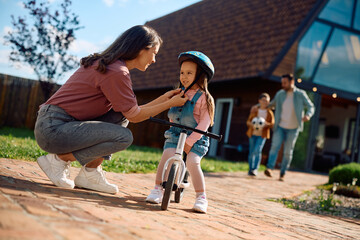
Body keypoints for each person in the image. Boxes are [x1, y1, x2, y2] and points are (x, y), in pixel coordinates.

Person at [34, 25, 188, 194]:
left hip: (56, 124)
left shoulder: (110, 65)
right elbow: (135, 116)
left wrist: (165, 98)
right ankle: (58, 161)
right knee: (123, 137)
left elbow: (131, 111)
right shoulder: (117, 72)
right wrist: (169, 104)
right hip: (54, 128)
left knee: (120, 115)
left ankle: (89, 174)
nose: (154, 60)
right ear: (141, 48)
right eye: (154, 53)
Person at [146, 51, 215, 213]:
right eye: (182, 73)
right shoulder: (178, 93)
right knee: (166, 156)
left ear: (200, 75)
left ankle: (201, 197)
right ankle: (157, 188)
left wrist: (191, 140)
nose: (184, 76)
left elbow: (205, 123)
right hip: (176, 134)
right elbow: (173, 114)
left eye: (189, 73)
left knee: (192, 162)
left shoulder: (204, 97)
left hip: (196, 138)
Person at [255, 74, 314, 181]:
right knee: (274, 147)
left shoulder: (301, 94)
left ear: (292, 82)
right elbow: (271, 104)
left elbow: (311, 106)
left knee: (287, 151)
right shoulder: (280, 94)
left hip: (294, 128)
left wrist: (308, 115)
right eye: (282, 83)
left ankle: (283, 172)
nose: (283, 85)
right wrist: (258, 106)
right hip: (280, 126)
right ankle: (270, 168)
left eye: (285, 83)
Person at [246, 93, 274, 176]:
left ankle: (255, 169)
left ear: (269, 102)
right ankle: (250, 169)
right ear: (259, 101)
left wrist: (266, 124)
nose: (265, 102)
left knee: (257, 151)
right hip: (252, 134)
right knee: (251, 152)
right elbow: (248, 121)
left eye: (267, 101)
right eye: (263, 100)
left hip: (262, 135)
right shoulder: (255, 110)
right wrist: (252, 124)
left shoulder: (269, 113)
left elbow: (272, 124)